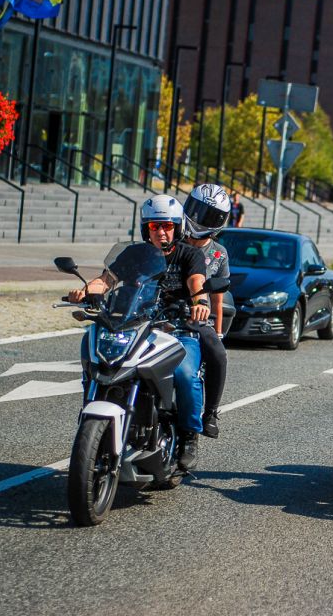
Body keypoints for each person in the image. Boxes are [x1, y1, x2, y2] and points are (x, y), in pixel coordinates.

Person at [68, 195, 209, 470]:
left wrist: (199, 302)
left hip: (176, 329)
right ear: (147, 229)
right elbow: (105, 280)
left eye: (167, 226)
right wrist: (86, 292)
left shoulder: (189, 254)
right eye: (155, 226)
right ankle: (93, 415)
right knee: (97, 357)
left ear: (177, 228)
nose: (161, 232)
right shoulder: (134, 254)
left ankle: (189, 436)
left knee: (185, 374)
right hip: (135, 325)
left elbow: (196, 281)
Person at [183, 184, 232, 439]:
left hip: (199, 317)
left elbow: (218, 298)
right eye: (196, 209)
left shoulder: (218, 253)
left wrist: (218, 331)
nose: (199, 218)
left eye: (208, 215)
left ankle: (210, 412)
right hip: (165, 311)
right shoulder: (172, 240)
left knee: (218, 355)